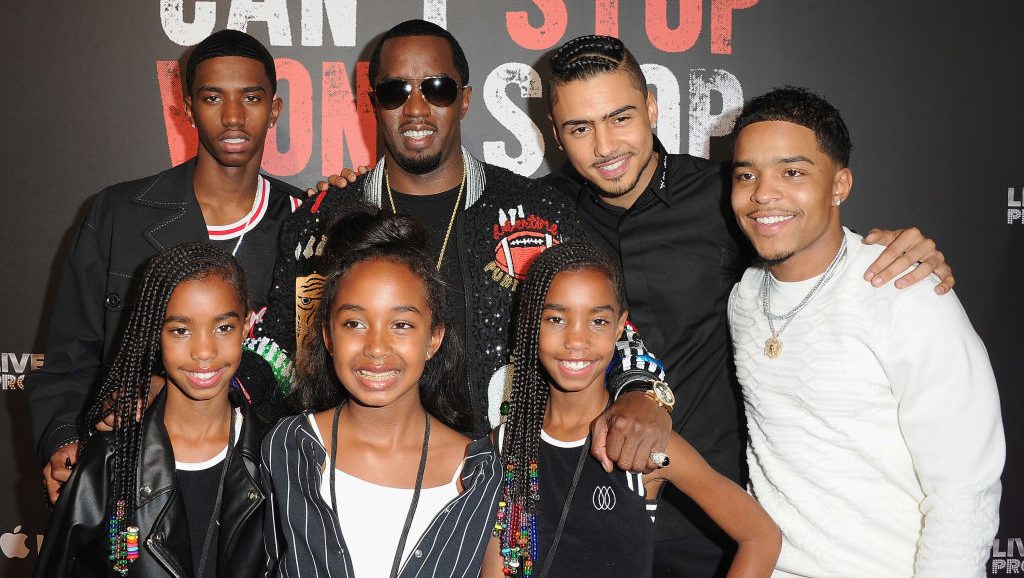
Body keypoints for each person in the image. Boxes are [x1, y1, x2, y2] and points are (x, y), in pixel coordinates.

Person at [537, 35, 957, 576]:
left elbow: (817, 248)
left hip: (718, 523)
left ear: (653, 108)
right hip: (587, 514)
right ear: (556, 133)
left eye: (620, 118)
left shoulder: (729, 196)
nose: (604, 146)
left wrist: (903, 249)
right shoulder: (543, 215)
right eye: (579, 127)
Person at [252, 19, 671, 471]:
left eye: (437, 88)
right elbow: (278, 350)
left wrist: (643, 393)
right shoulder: (320, 219)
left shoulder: (540, 211)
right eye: (396, 91)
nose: (416, 108)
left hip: (504, 486)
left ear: (465, 100)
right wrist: (224, 384)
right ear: (373, 104)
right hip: (353, 483)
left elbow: (608, 329)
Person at [727, 87, 1003, 577]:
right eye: (746, 174)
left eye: (792, 172)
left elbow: (964, 488)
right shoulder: (745, 296)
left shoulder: (905, 290)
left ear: (840, 185)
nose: (763, 193)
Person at [27, 29, 304, 504]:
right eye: (213, 97)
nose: (233, 116)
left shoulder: (306, 223)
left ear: (274, 109)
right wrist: (63, 437)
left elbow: (314, 373)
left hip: (260, 485)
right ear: (188, 109)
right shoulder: (118, 213)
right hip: (133, 477)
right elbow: (69, 356)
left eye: (251, 97)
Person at [480, 241, 781, 578]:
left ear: (620, 327)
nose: (576, 340)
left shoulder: (650, 447)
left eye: (597, 321)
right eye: (555, 318)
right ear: (530, 325)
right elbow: (498, 564)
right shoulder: (505, 445)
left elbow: (761, 536)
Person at [260, 204, 501, 577]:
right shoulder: (289, 449)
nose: (376, 347)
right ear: (327, 335)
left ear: (434, 338)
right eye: (354, 323)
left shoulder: (481, 475)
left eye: (401, 325)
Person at [34, 242, 270, 578]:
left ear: (247, 326)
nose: (204, 351)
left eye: (223, 327)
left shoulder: (275, 456)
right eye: (180, 330)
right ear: (154, 333)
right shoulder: (107, 464)